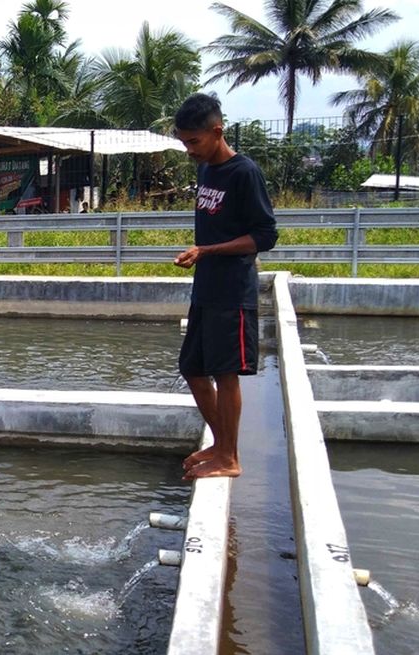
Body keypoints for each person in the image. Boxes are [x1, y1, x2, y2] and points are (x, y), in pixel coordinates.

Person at [172, 93, 278, 480]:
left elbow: (265, 235)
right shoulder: (206, 172)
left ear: (217, 131)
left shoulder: (243, 173)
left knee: (226, 372)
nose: (189, 150)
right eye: (184, 142)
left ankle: (230, 458)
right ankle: (220, 443)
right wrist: (202, 255)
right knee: (193, 368)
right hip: (207, 288)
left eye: (194, 142)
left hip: (233, 290)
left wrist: (208, 250)